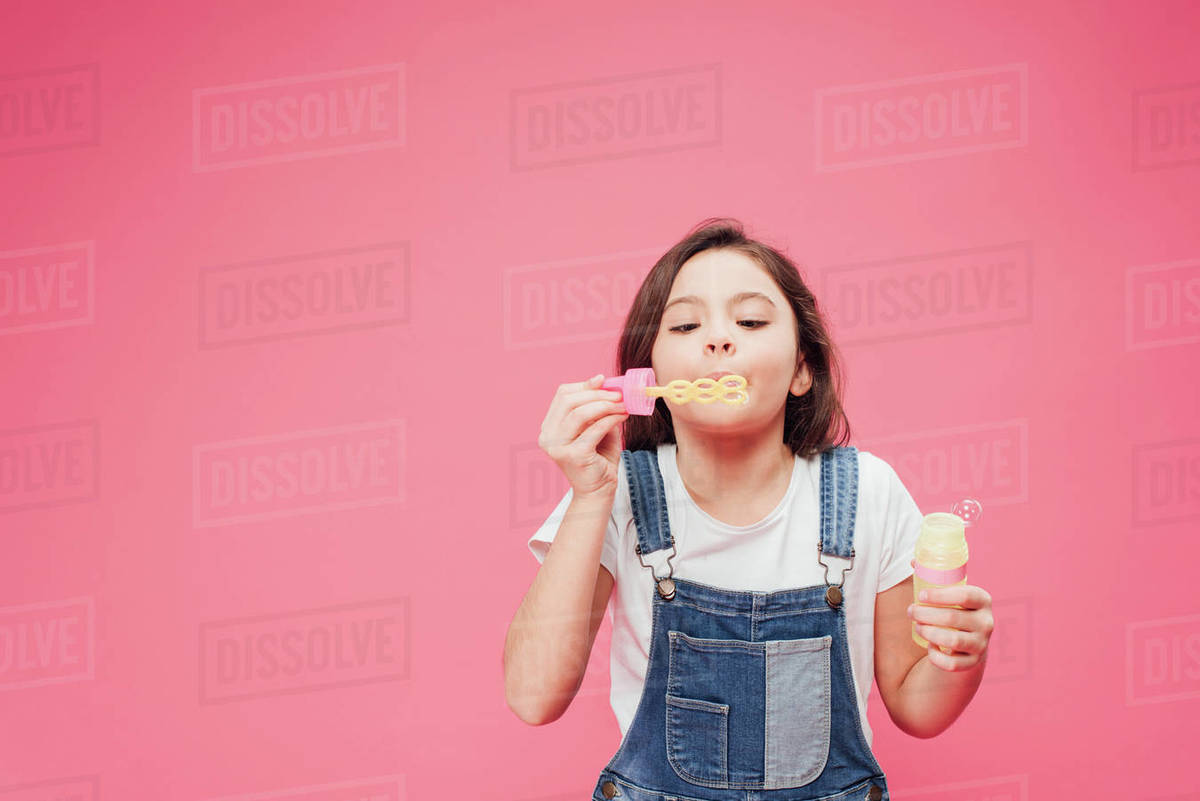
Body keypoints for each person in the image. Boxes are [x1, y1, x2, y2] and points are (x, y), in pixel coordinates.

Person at [504, 218, 994, 801]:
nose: (717, 339)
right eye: (686, 324)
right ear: (647, 376)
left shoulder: (870, 494)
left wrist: (958, 656)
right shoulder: (615, 492)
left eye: (751, 321)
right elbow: (534, 697)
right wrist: (588, 495)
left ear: (801, 370)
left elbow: (920, 709)